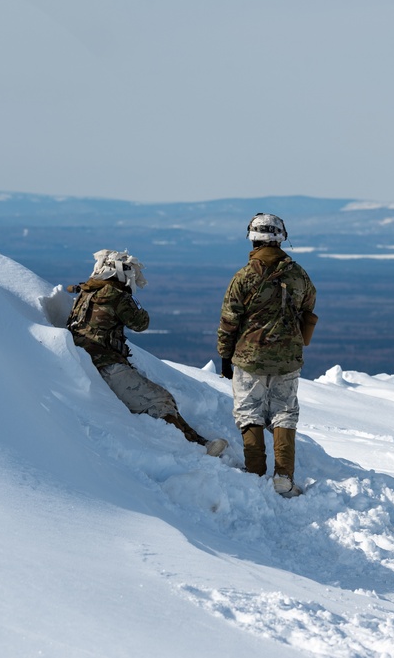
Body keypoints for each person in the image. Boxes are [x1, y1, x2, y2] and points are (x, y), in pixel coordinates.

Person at [66, 249, 228, 457]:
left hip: (88, 359)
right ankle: (196, 446)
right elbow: (141, 322)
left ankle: (197, 441)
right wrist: (129, 299)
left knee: (160, 398)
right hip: (105, 363)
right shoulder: (115, 295)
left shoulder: (85, 292)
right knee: (160, 400)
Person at [217, 213, 317, 497]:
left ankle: (255, 473)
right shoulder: (298, 274)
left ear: (253, 238)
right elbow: (309, 304)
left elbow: (229, 320)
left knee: (250, 412)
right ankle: (284, 477)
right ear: (281, 237)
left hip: (249, 358)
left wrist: (225, 355)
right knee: (285, 413)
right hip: (287, 357)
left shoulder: (244, 276)